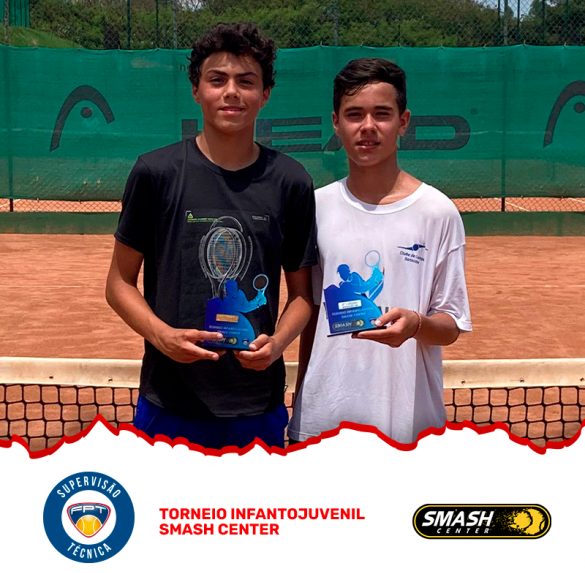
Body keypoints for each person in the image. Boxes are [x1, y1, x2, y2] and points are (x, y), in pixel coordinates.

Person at [106, 23, 316, 450]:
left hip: (256, 405)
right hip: (169, 400)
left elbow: (302, 296)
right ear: (196, 90)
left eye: (246, 81)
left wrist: (276, 344)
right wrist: (162, 335)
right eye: (217, 80)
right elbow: (118, 283)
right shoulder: (155, 172)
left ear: (265, 94)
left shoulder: (291, 181)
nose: (231, 92)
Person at [288, 58, 472, 445]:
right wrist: (302, 404)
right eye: (354, 114)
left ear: (403, 122)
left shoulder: (438, 212)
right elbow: (311, 315)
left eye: (382, 114)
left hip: (409, 428)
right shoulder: (315, 207)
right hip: (323, 423)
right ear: (336, 123)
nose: (368, 126)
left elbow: (451, 324)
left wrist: (416, 325)